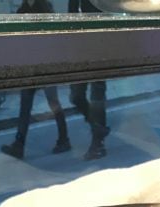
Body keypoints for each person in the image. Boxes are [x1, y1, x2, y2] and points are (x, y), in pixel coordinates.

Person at [0, 0, 71, 158]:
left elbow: (54, 39)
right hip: (31, 65)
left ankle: (64, 139)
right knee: (26, 106)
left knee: (53, 103)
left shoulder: (45, 10)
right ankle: (19, 145)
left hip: (45, 66)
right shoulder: (22, 11)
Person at [68, 0, 110, 160]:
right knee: (76, 96)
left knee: (97, 95)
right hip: (79, 51)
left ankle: (98, 144)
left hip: (98, 47)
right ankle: (98, 128)